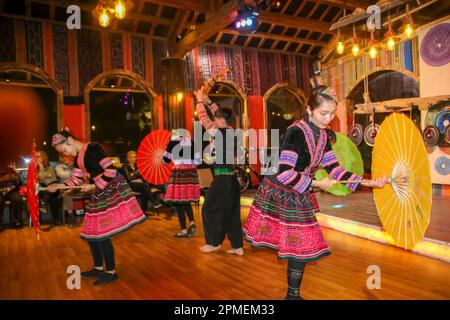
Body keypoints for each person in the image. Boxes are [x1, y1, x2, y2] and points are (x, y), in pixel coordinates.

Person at [243, 85, 388, 300]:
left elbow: (336, 170)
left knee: (299, 245)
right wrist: (319, 185)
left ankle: (292, 295)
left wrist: (369, 182)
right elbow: (284, 173)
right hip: (283, 190)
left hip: (299, 189)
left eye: (332, 113)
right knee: (297, 244)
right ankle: (292, 295)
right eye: (323, 113)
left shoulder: (323, 137)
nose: (328, 118)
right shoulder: (296, 132)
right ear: (309, 110)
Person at [47, 130, 146, 285]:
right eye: (62, 152)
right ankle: (98, 268)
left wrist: (93, 185)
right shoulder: (78, 158)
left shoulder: (92, 148)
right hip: (100, 190)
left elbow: (111, 170)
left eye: (64, 149)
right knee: (91, 231)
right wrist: (57, 186)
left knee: (103, 233)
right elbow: (76, 180)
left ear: (70, 140)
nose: (65, 153)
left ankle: (111, 271)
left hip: (111, 187)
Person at [194, 89, 243, 256]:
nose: (214, 120)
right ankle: (237, 246)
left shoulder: (218, 132)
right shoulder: (231, 131)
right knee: (232, 212)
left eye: (217, 119)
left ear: (222, 121)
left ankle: (213, 243)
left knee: (208, 208)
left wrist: (200, 101)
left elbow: (204, 119)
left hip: (222, 179)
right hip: (232, 179)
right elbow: (218, 114)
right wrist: (208, 101)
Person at [162, 131, 200, 238]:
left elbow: (165, 161)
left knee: (178, 202)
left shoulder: (172, 143)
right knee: (186, 199)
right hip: (191, 172)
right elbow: (197, 161)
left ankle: (183, 229)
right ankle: (192, 222)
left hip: (179, 171)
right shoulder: (192, 142)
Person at [122, 150, 161, 214]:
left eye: (135, 157)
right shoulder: (125, 166)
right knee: (144, 186)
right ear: (128, 158)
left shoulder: (138, 166)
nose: (133, 159)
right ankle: (154, 202)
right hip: (131, 185)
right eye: (131, 157)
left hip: (140, 185)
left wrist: (141, 174)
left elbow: (143, 177)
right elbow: (129, 178)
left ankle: (143, 211)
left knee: (144, 192)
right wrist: (136, 173)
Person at [37, 151, 63, 226]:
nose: (37, 158)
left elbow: (51, 179)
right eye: (36, 157)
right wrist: (41, 170)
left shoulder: (50, 167)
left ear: (44, 158)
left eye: (39, 156)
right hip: (41, 189)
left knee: (54, 198)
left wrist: (43, 173)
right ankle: (39, 218)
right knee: (42, 188)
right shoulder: (35, 168)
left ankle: (56, 219)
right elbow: (42, 179)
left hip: (52, 188)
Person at [0, 163, 23, 229]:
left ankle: (17, 220)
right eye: (10, 165)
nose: (12, 166)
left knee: (18, 199)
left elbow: (18, 185)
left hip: (12, 192)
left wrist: (17, 176)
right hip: (1, 192)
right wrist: (2, 179)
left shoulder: (13, 173)